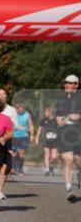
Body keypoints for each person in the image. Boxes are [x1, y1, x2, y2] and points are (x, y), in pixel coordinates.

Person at [56, 74, 81, 202]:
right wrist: (62, 119)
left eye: (70, 83)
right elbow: (59, 120)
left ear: (76, 85)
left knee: (79, 161)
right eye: (65, 82)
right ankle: (69, 189)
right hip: (65, 135)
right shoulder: (61, 100)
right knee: (68, 159)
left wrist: (79, 116)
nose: (66, 85)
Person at [0, 88, 17, 199]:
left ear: (7, 97)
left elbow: (15, 126)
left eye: (3, 94)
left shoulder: (11, 110)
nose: (1, 96)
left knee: (7, 165)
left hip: (6, 140)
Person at [11, 102, 34, 175]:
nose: (21, 110)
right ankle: (14, 168)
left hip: (24, 136)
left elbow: (30, 125)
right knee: (14, 153)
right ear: (16, 109)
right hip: (14, 136)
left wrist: (32, 135)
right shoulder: (13, 114)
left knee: (22, 152)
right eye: (19, 108)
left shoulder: (27, 114)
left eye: (22, 108)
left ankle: (20, 169)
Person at [35, 106, 60, 176]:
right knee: (47, 154)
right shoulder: (43, 120)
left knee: (54, 156)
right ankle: (47, 169)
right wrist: (37, 137)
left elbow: (60, 129)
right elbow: (39, 129)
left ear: (50, 113)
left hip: (55, 140)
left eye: (46, 112)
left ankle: (50, 165)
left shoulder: (56, 120)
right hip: (46, 140)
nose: (45, 113)